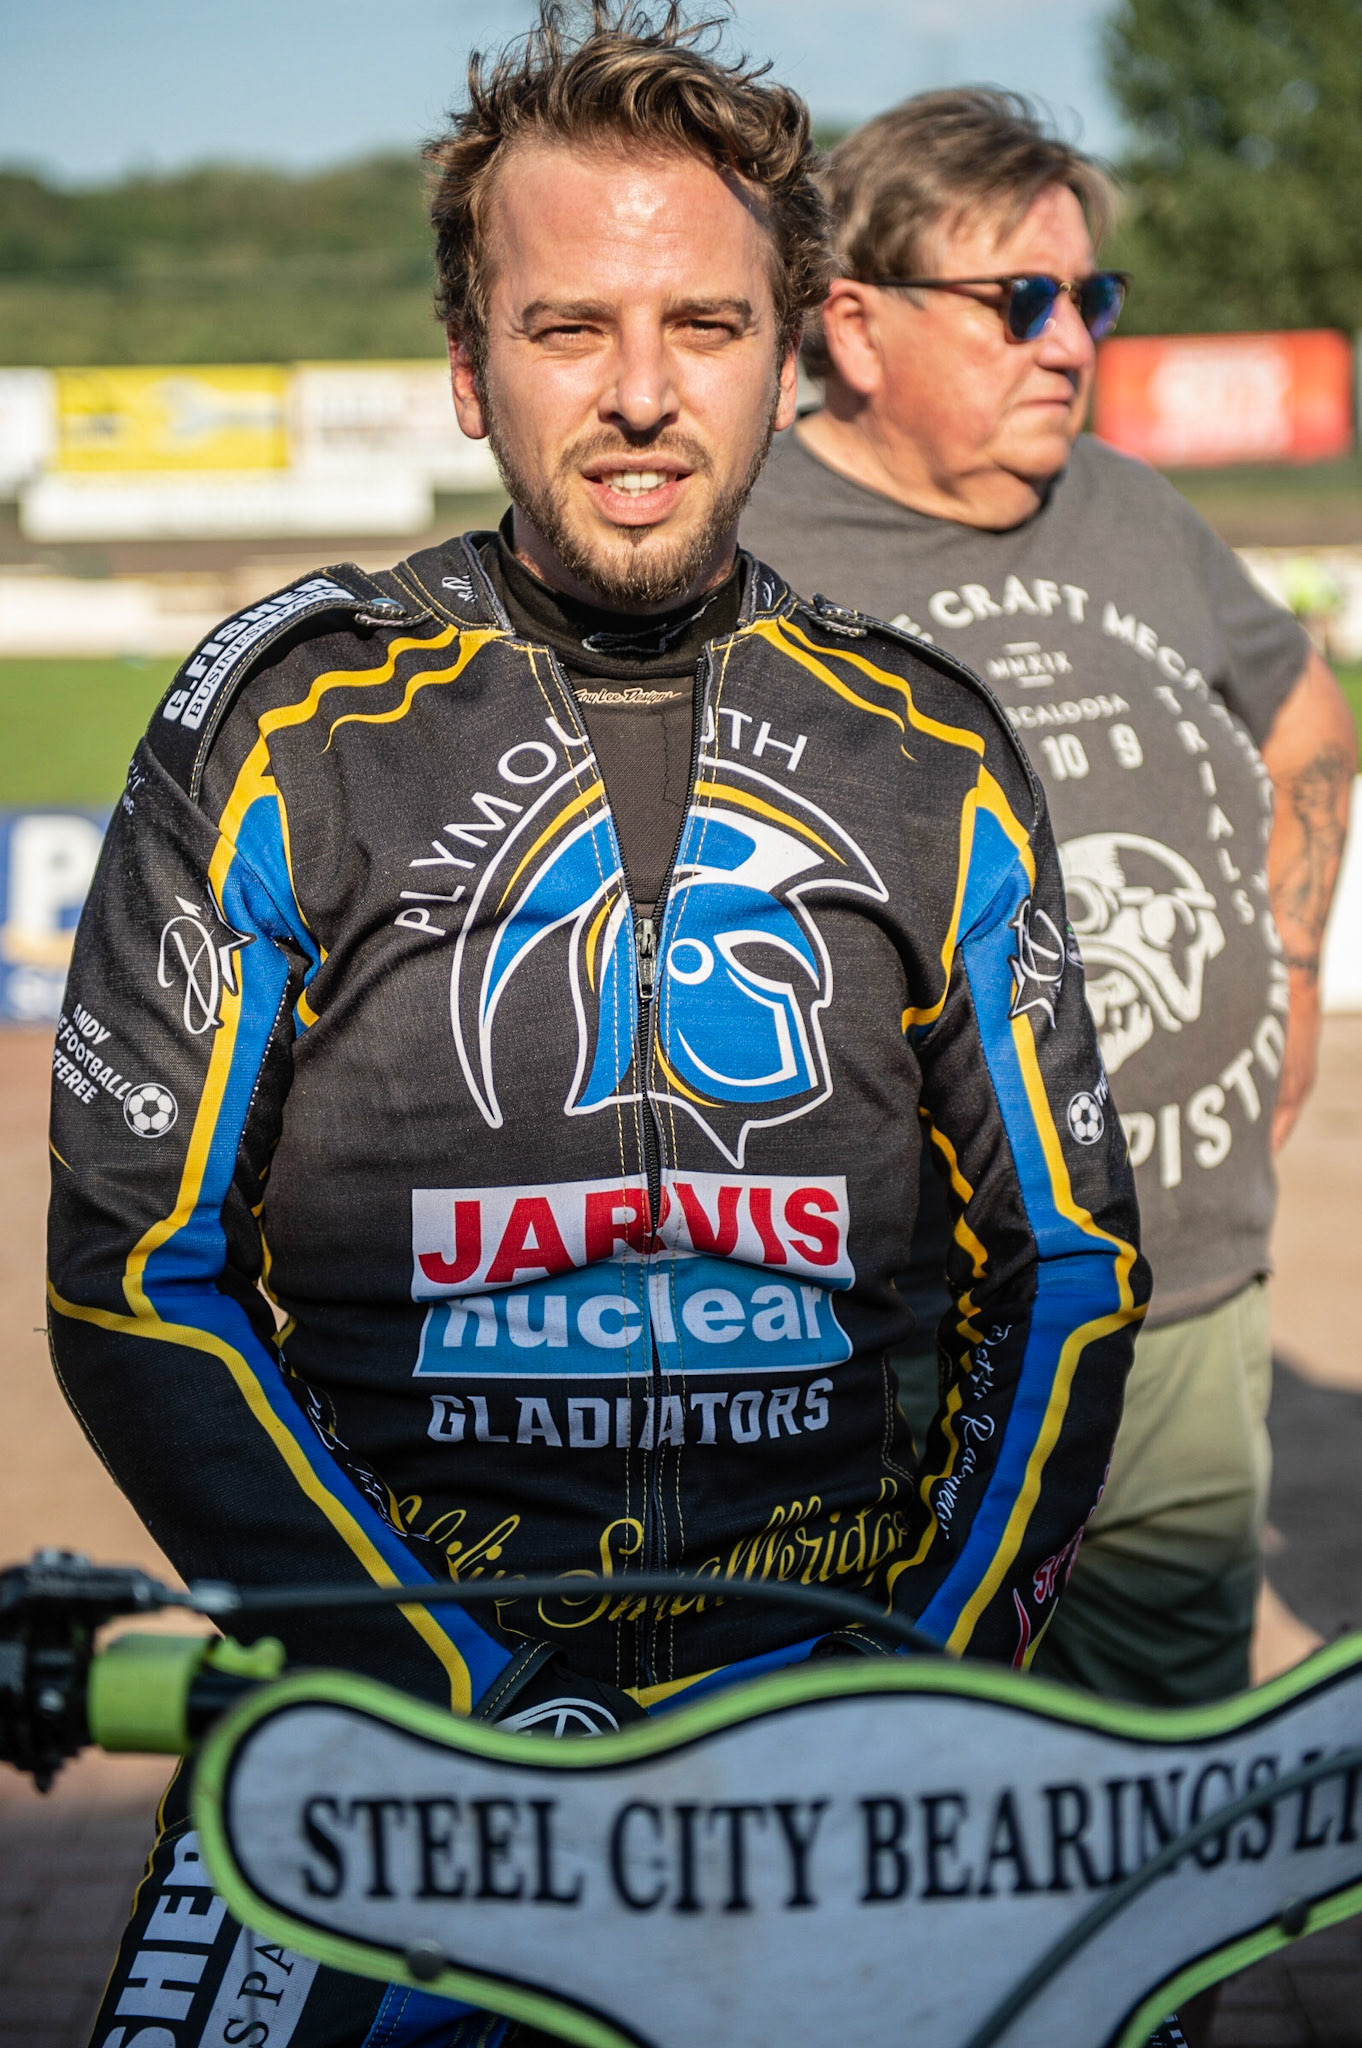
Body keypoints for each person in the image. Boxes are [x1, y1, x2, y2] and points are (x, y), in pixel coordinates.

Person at [48, 23, 1146, 2047]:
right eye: (570, 326)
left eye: (703, 323)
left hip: (836, 1712)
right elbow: (134, 1267)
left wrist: (918, 1676)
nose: (643, 390)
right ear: (471, 366)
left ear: (787, 356)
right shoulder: (284, 719)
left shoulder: (932, 748)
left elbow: (1074, 1272)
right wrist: (443, 1685)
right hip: (387, 1726)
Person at [743, 89, 1356, 1714]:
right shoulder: (741, 553)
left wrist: (1286, 962)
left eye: (1090, 299)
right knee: (888, 1767)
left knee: (1163, 1794)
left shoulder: (1133, 509)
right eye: (1016, 300)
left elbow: (1302, 714)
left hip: (1179, 1288)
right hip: (887, 1337)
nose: (1068, 342)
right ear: (854, 326)